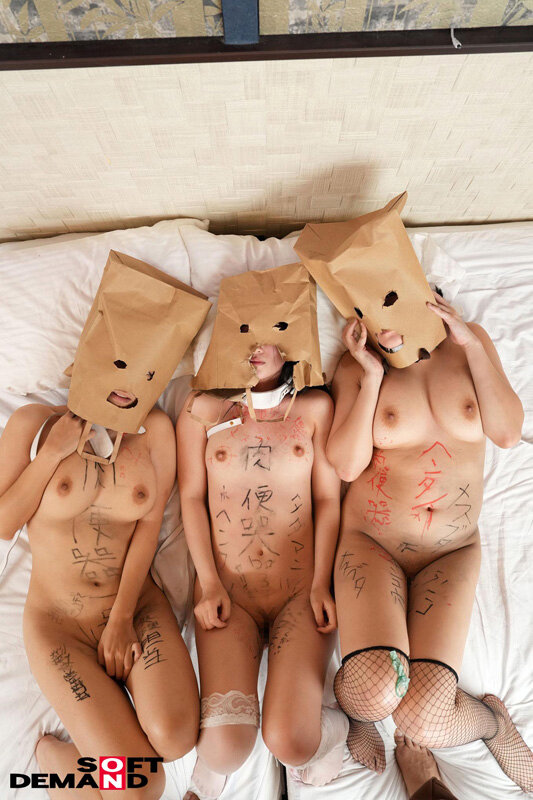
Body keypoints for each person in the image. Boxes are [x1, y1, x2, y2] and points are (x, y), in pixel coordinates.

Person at [0, 251, 211, 800]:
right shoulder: (32, 423)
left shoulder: (156, 432)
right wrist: (52, 454)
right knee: (143, 785)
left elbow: (148, 528)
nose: (130, 384)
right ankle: (54, 759)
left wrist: (121, 619)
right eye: (121, 364)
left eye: (149, 372)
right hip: (60, 626)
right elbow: (2, 524)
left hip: (134, 605)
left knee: (176, 738)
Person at [327, 294, 532, 792]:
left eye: (394, 301)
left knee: (426, 722)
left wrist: (470, 344)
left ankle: (491, 724)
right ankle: (355, 710)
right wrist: (371, 377)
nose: (387, 324)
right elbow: (347, 466)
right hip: (372, 545)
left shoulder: (469, 343)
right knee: (373, 691)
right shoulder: (356, 364)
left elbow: (507, 433)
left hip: (451, 551)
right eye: (372, 311)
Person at [177, 264, 347, 799]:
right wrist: (208, 583)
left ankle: (336, 725)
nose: (256, 346)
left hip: (301, 592)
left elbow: (328, 498)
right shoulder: (200, 411)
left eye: (273, 333)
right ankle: (221, 757)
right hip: (229, 595)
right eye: (244, 330)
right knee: (224, 750)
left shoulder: (315, 408)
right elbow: (191, 497)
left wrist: (320, 584)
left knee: (292, 743)